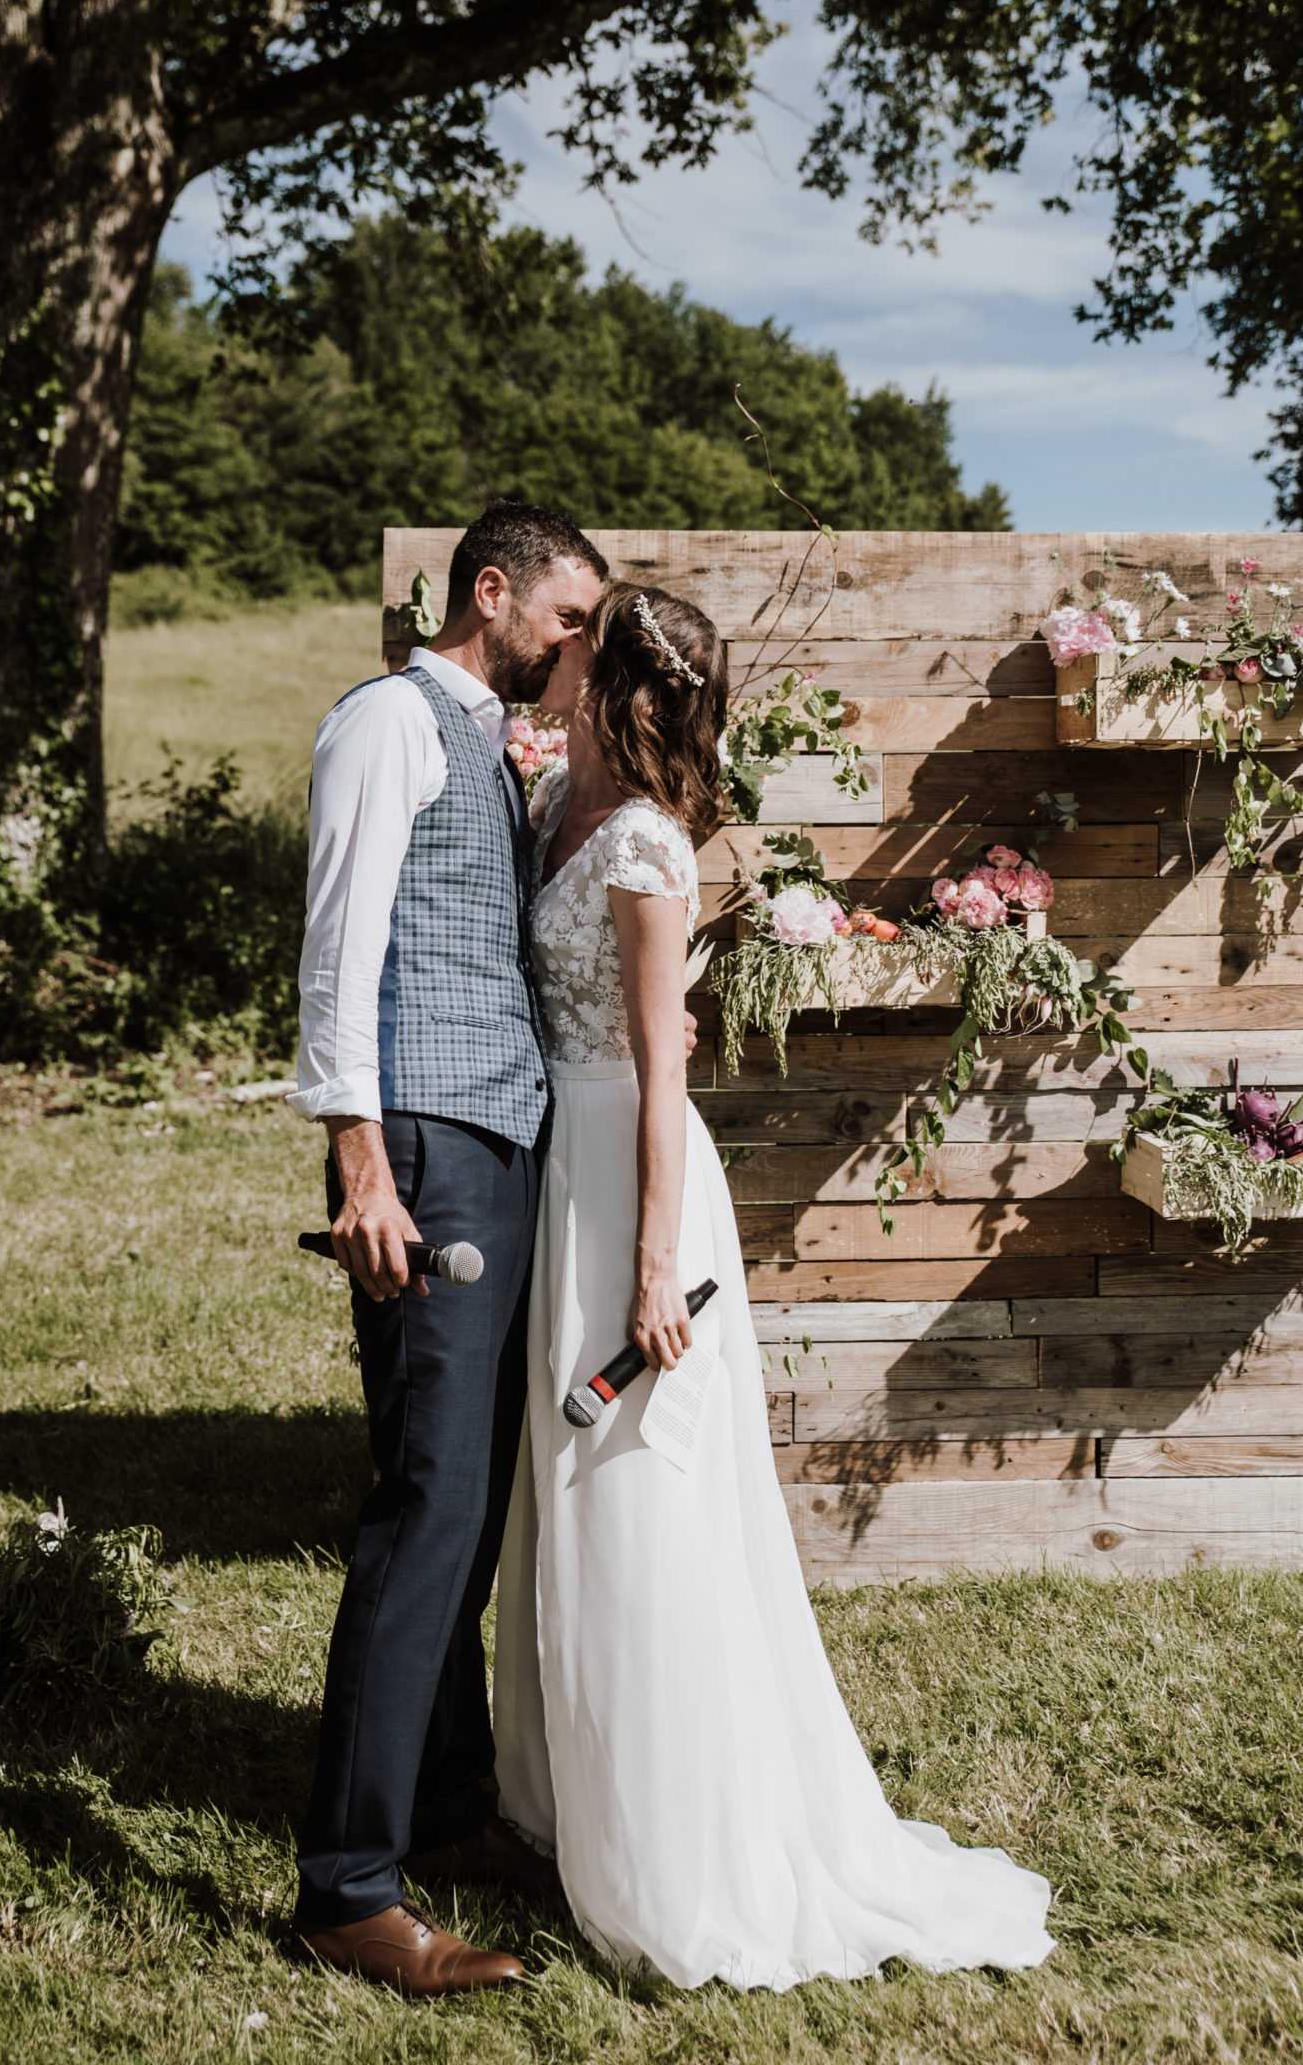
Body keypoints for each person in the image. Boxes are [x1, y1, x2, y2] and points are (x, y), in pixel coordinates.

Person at [492, 578, 1056, 1990]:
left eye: (577, 636)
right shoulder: (560, 797)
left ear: (608, 675)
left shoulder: (640, 844)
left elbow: (660, 1057)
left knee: (634, 1483)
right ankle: (566, 1800)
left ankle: (677, 1850)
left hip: (630, 1173)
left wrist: (651, 1268)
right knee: (559, 1489)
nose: (551, 650)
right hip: (560, 1161)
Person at [287, 502, 607, 1996]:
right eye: (565, 616)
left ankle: (444, 1807)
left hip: (491, 1144)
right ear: (492, 592)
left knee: (466, 1504)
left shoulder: (486, 738)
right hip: (418, 1150)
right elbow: (341, 943)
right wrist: (358, 1154)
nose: (577, 645)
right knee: (424, 1505)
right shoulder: (386, 722)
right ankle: (347, 1882)